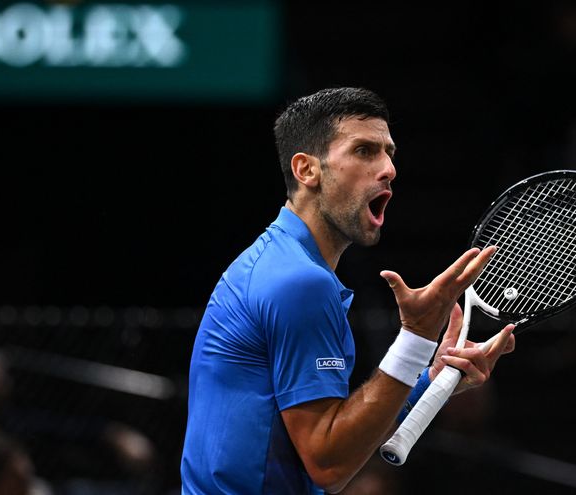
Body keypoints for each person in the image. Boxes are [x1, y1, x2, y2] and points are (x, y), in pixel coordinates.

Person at [180, 87, 516, 494]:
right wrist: (416, 336)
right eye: (364, 150)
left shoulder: (280, 263)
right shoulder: (298, 283)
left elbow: (341, 436)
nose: (389, 168)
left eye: (389, 152)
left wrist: (432, 380)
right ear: (307, 170)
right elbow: (329, 464)